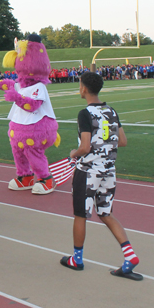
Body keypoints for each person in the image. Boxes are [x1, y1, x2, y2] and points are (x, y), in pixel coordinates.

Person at [60, 72, 142, 281]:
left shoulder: (84, 113)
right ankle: (129, 256)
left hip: (88, 171)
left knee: (81, 214)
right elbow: (122, 141)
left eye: (80, 85)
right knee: (106, 213)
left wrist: (73, 153)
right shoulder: (111, 111)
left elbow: (85, 146)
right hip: (109, 171)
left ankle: (77, 259)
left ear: (84, 88)